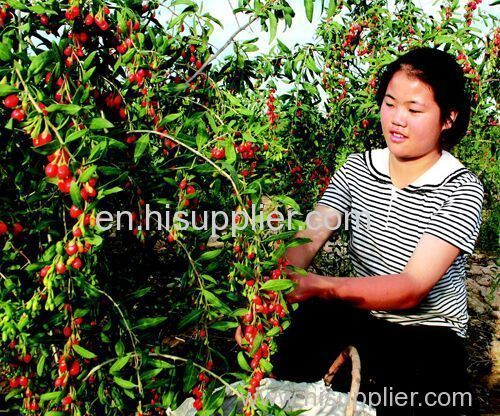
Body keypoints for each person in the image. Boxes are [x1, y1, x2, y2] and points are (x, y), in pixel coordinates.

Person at [269, 47, 484, 416]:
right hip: (363, 313)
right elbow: (310, 235)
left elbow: (411, 288)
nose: (397, 119)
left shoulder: (460, 187)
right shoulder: (357, 168)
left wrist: (318, 285)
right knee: (288, 357)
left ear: (447, 118)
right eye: (390, 103)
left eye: (414, 110)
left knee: (414, 396)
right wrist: (272, 292)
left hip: (428, 332)